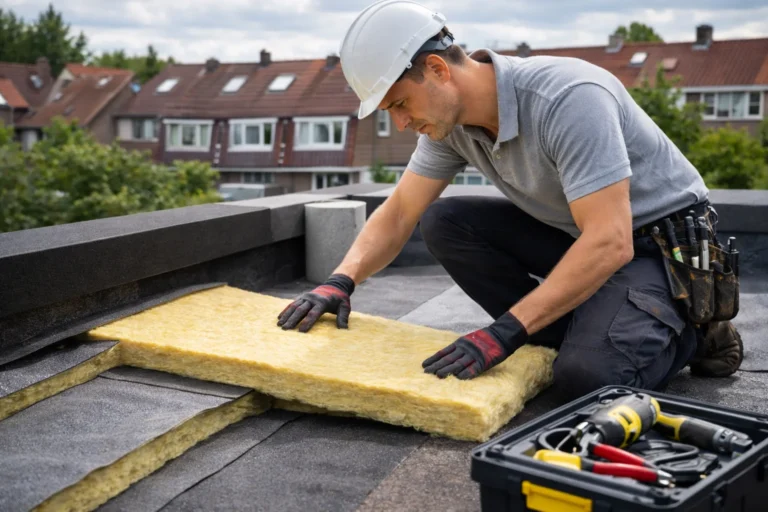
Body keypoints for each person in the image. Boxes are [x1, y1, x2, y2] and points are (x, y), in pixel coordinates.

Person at [276, 0, 743, 399]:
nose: (400, 123)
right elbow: (399, 213)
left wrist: (503, 333)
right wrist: (341, 281)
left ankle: (695, 330)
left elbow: (612, 241)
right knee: (445, 221)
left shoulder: (568, 98)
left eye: (399, 104)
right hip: (583, 235)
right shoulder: (448, 125)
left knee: (589, 380)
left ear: (437, 70)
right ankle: (585, 327)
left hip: (658, 251)